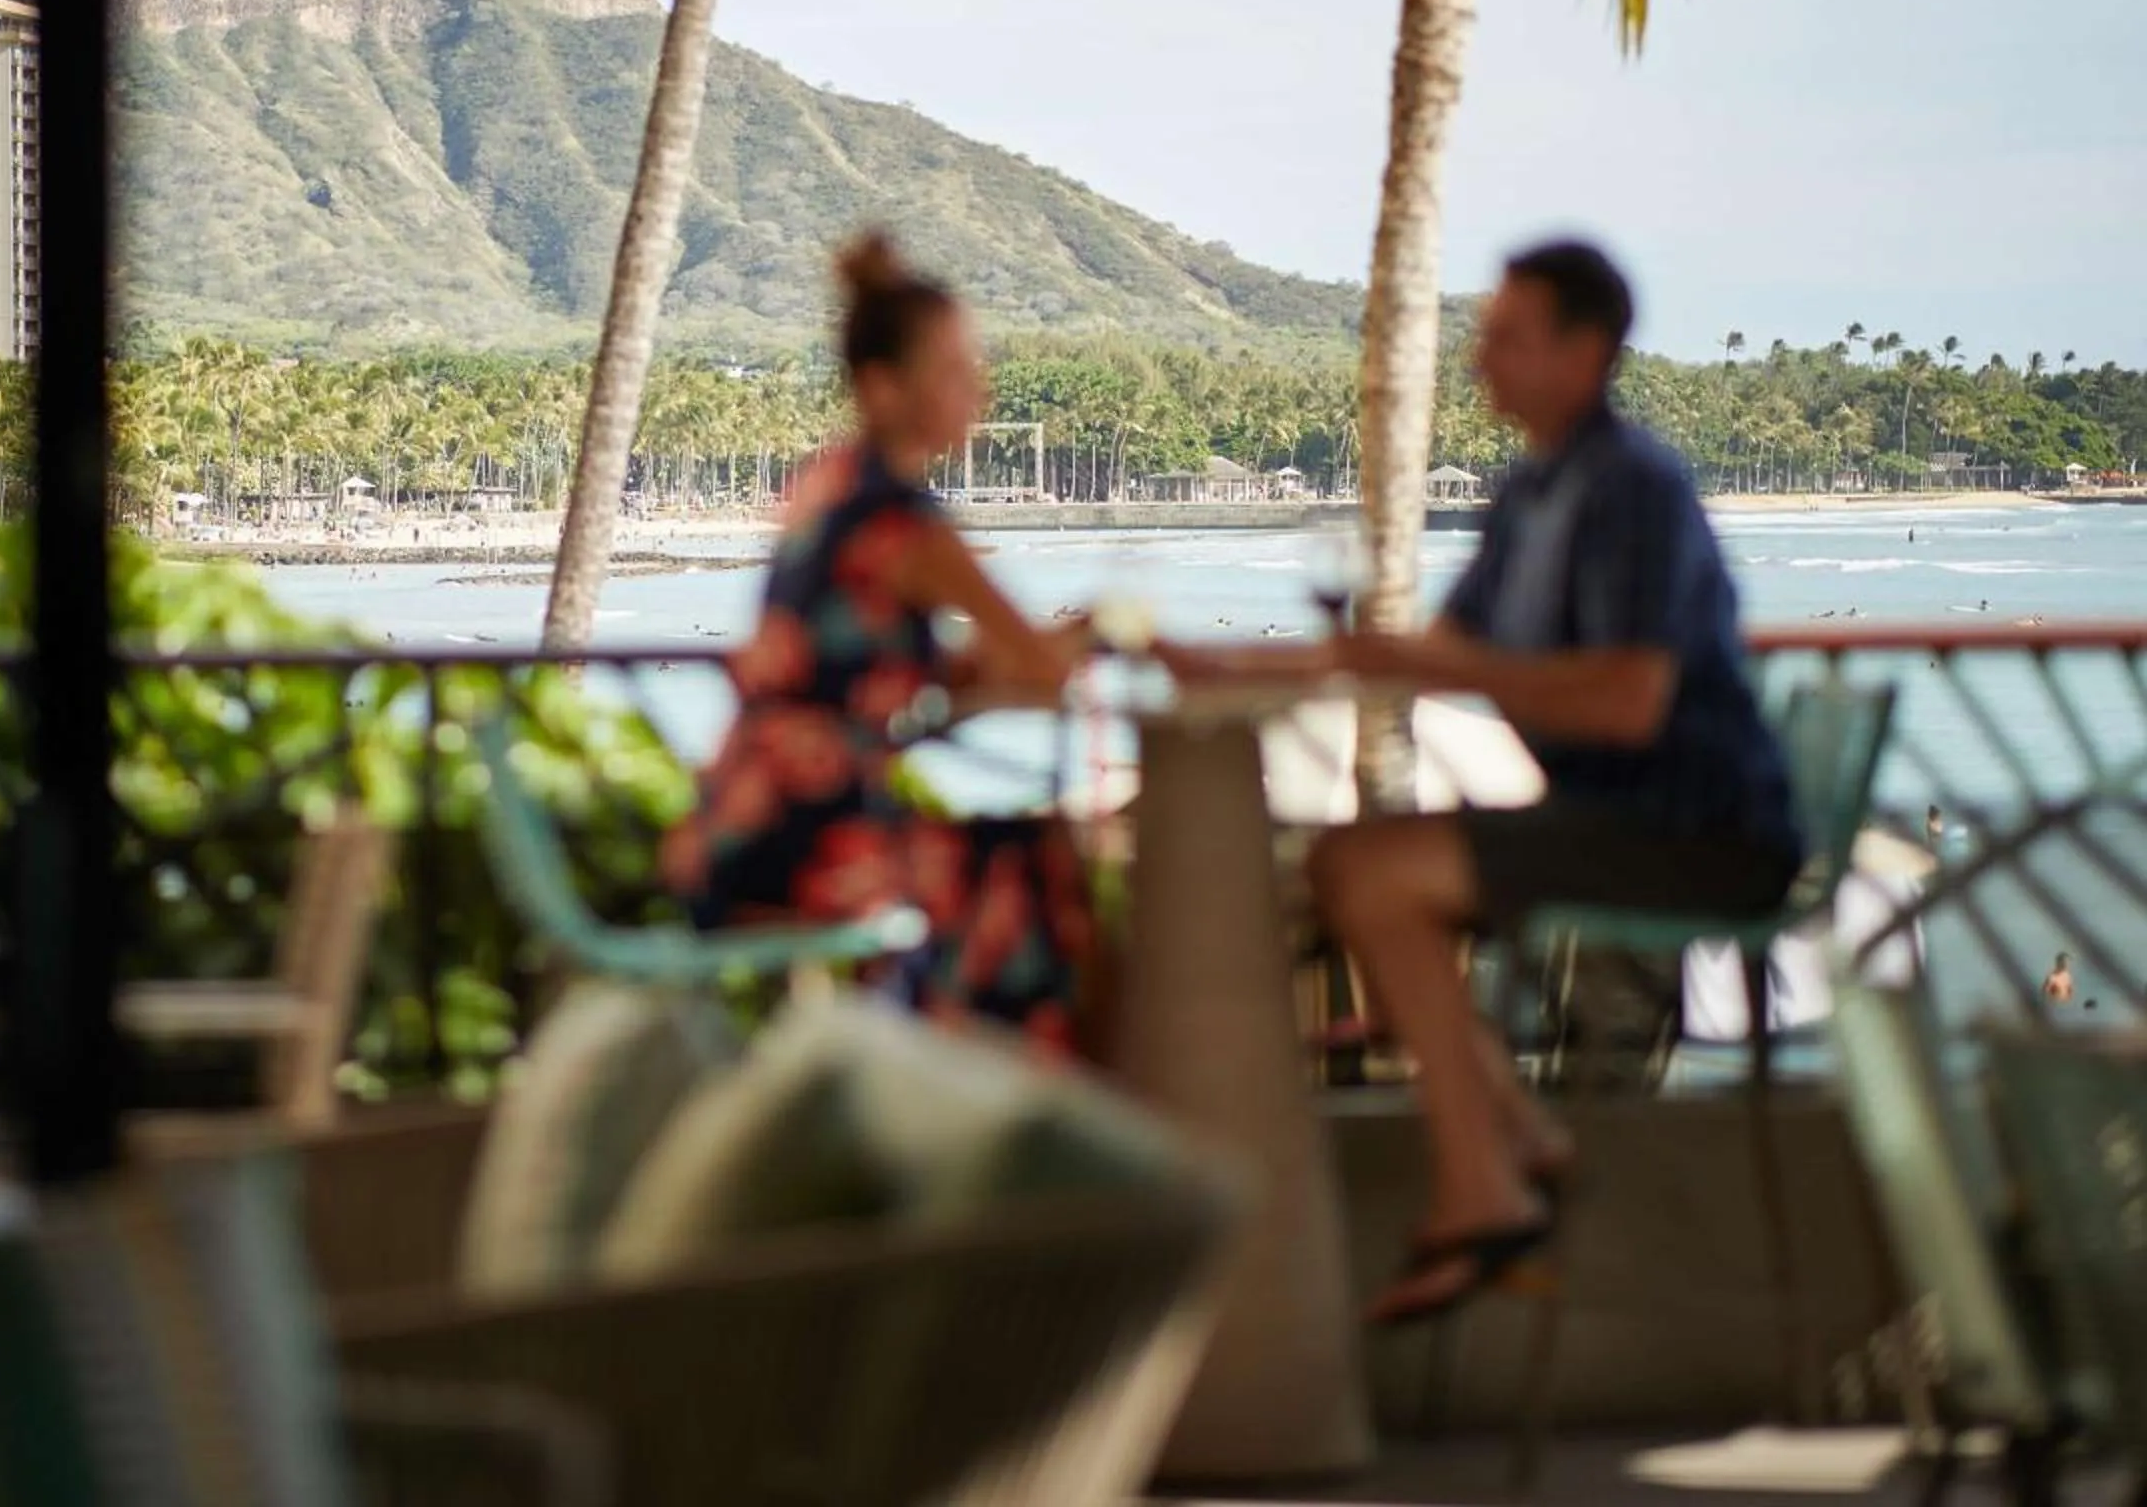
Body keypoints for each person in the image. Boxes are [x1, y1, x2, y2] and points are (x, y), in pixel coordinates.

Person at [1162, 240, 1798, 1323]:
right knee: (1350, 866)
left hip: (1694, 827)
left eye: (1505, 336)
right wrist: (1228, 662)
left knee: (1363, 869)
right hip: (1610, 814)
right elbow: (1420, 653)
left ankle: (1487, 1177)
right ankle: (1514, 1141)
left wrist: (1466, 669)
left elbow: (1629, 699)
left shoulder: (1634, 486)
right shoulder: (1535, 490)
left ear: (1586, 350)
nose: (1478, 361)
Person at [665, 231, 1107, 1060]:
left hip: (732, 823)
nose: (977, 391)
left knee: (995, 856)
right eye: (953, 371)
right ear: (882, 387)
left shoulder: (827, 484)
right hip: (808, 841)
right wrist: (1095, 633)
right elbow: (1039, 669)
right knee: (1034, 863)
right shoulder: (906, 522)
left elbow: (874, 664)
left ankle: (935, 1082)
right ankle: (1017, 1109)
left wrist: (999, 666)